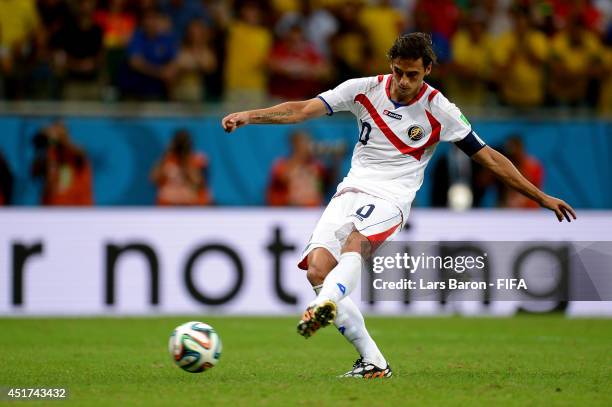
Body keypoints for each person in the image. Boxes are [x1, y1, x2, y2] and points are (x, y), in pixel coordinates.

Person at [221, 33, 576, 379]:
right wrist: (250, 115)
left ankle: (322, 304)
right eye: (398, 72)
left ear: (428, 71)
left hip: (393, 198)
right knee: (316, 269)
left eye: (413, 75)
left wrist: (540, 196)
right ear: (390, 65)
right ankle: (373, 361)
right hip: (351, 191)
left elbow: (489, 158)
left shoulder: (440, 110)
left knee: (354, 248)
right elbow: (300, 110)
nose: (404, 81)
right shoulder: (362, 89)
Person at [31, 121, 94, 206]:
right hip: (52, 210)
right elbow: (34, 173)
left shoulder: (74, 153)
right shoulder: (50, 154)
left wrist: (61, 138)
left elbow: (82, 153)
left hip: (78, 211)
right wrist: (42, 145)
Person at [266, 131, 328, 207]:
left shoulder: (316, 166)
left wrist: (336, 161)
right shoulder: (281, 165)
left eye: (309, 141)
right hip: (289, 212)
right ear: (294, 144)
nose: (307, 145)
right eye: (303, 142)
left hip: (313, 211)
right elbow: (282, 178)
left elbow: (326, 185)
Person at [151, 129, 212, 206]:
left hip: (192, 208)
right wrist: (165, 155)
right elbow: (153, 179)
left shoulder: (197, 160)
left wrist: (185, 162)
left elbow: (199, 183)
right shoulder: (166, 160)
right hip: (168, 207)